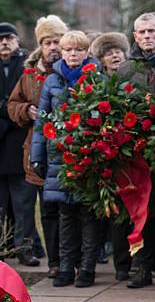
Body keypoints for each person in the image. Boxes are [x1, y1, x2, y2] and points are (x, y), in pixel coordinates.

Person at [30, 31, 102, 287]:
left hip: (87, 155)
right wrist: (37, 157)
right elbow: (42, 121)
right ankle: (66, 267)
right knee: (65, 215)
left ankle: (87, 269)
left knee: (88, 215)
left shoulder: (96, 77)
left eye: (78, 50)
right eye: (68, 49)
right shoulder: (52, 80)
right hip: (58, 156)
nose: (73, 54)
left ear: (86, 53)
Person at [7, 15, 67, 276]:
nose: (52, 47)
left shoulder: (69, 71)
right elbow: (12, 104)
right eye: (47, 42)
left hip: (65, 153)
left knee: (62, 210)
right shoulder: (29, 75)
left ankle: (65, 258)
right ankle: (28, 249)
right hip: (35, 149)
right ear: (40, 46)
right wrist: (25, 110)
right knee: (30, 208)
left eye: (57, 41)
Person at [117, 12, 155, 288]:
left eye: (152, 31)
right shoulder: (126, 69)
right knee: (141, 209)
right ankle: (141, 266)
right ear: (135, 37)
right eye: (142, 32)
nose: (147, 36)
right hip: (137, 150)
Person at [0, 22, 38, 267]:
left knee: (24, 203)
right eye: (1, 39)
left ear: (17, 40)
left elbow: (26, 102)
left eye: (9, 38)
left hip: (18, 143)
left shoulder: (27, 66)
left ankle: (25, 248)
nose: (4, 42)